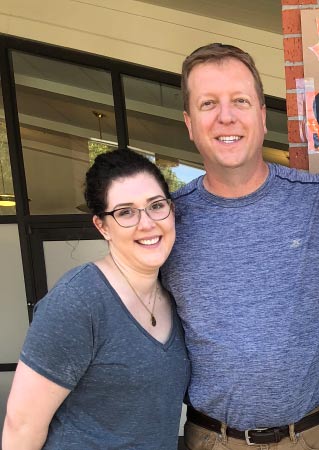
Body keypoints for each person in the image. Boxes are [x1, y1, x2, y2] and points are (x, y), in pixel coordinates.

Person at [159, 43, 319, 450]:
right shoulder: (168, 223)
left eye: (240, 101)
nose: (226, 116)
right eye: (208, 103)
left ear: (263, 117)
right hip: (213, 439)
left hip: (312, 436)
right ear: (189, 123)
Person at [2, 148, 189, 450]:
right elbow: (21, 426)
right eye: (125, 212)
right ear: (102, 226)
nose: (147, 223)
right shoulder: (79, 302)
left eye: (156, 205)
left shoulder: (175, 294)